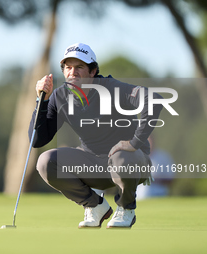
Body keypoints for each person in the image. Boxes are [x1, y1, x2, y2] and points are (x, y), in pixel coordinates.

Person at [29, 42, 163, 228]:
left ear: (92, 72)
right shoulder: (61, 96)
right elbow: (37, 140)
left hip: (131, 163)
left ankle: (126, 209)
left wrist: (135, 142)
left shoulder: (112, 88)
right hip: (94, 164)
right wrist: (41, 101)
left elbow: (154, 99)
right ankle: (95, 206)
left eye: (79, 67)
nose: (72, 72)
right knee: (46, 161)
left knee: (121, 156)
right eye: (68, 67)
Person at [136, 135, 175, 200]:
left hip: (159, 193)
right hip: (139, 194)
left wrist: (154, 180)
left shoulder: (164, 157)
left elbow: (171, 180)